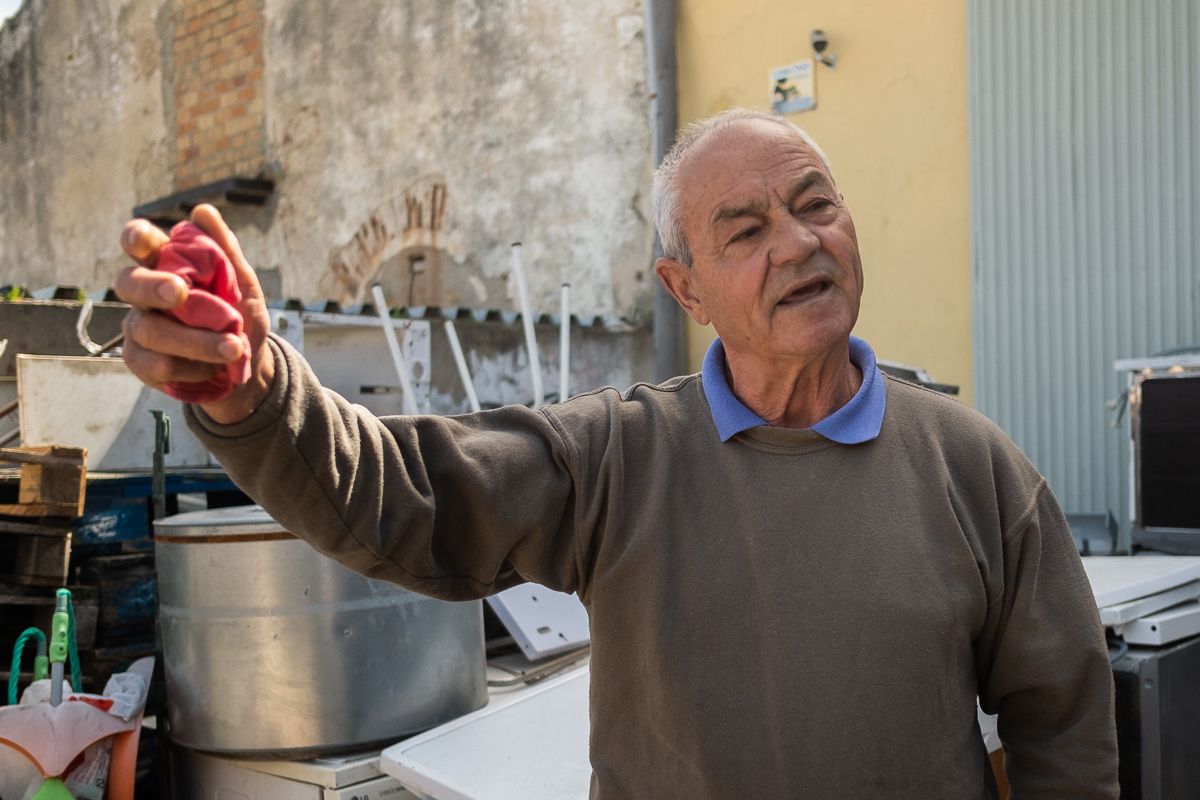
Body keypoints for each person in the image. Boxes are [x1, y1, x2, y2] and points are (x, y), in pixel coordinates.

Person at [116, 108, 1118, 798]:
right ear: (687, 290)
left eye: (816, 204)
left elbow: (1066, 726)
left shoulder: (974, 467)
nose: (798, 243)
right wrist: (253, 391)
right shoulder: (619, 458)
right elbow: (401, 495)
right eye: (746, 231)